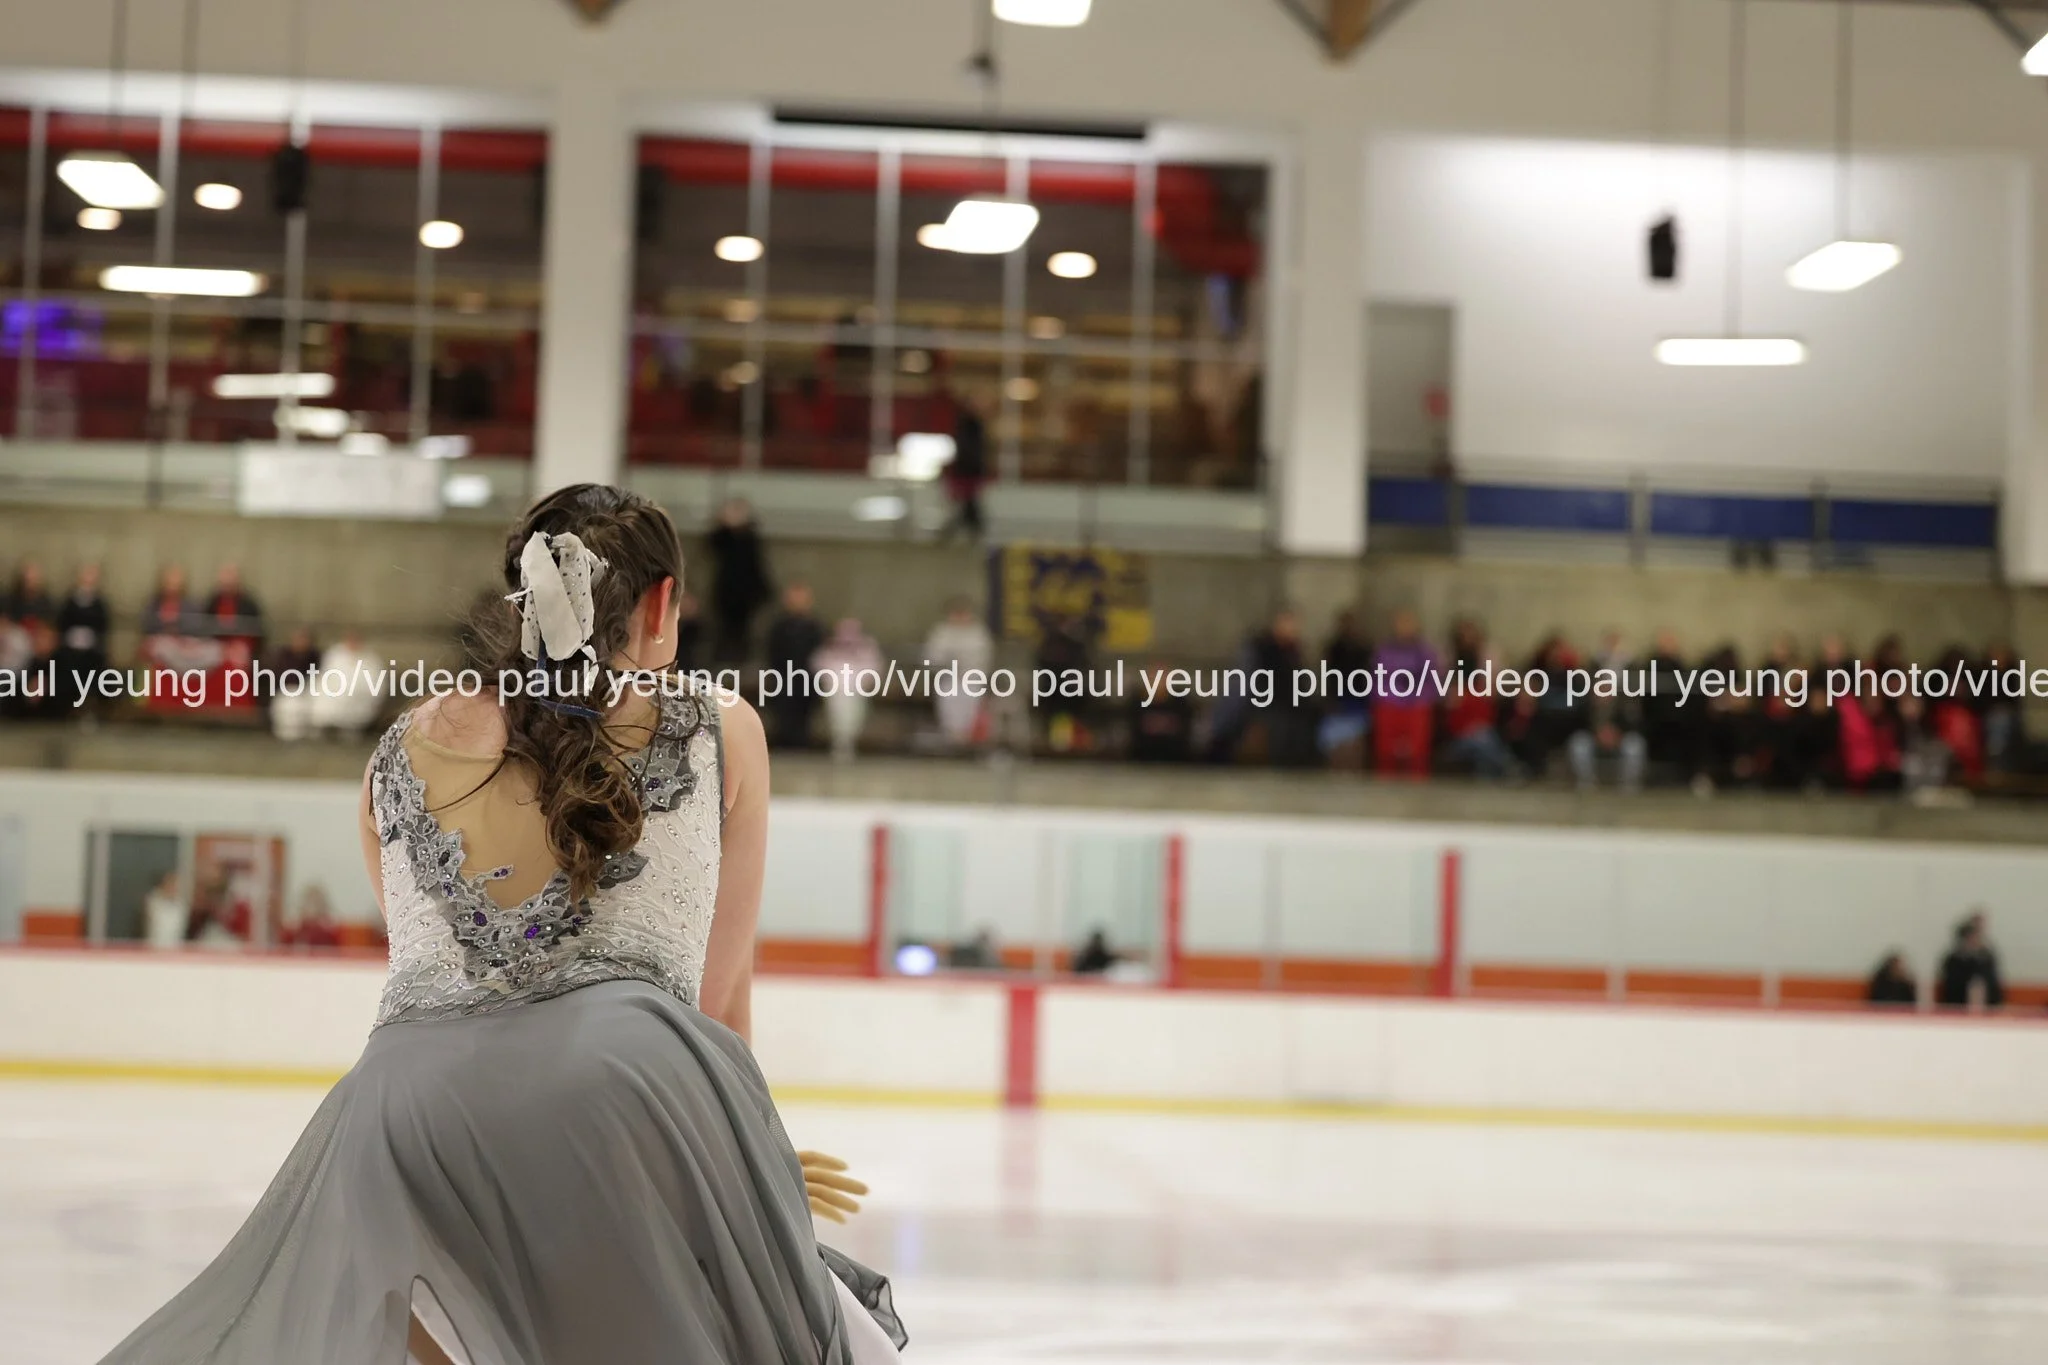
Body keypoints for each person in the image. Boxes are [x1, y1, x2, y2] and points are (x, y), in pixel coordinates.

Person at [95, 484, 905, 1365]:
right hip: (620, 1090)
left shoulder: (395, 749)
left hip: (392, 1120)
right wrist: (751, 1170)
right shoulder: (718, 725)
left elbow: (441, 981)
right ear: (663, 602)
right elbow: (716, 1005)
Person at [1370, 609, 1441, 778]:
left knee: (1417, 751)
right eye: (1401, 623)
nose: (1405, 628)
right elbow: (1378, 679)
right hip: (1390, 703)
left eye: (1409, 623)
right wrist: (1392, 696)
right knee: (1386, 750)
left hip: (1417, 704)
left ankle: (1417, 782)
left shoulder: (1426, 652)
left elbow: (1432, 680)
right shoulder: (1384, 651)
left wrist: (1416, 696)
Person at [707, 497, 773, 665]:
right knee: (724, 629)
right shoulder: (724, 536)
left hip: (746, 594)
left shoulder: (750, 537)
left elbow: (756, 564)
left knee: (743, 631)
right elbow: (712, 545)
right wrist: (724, 525)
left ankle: (741, 659)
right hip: (726, 592)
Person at [922, 596, 994, 749]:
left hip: (972, 677)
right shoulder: (941, 632)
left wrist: (965, 664)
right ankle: (952, 736)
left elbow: (983, 658)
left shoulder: (978, 633)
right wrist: (949, 662)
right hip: (947, 677)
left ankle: (966, 737)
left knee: (969, 696)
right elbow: (932, 657)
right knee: (949, 696)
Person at [763, 582, 827, 749]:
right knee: (783, 707)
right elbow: (772, 651)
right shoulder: (779, 627)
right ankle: (786, 737)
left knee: (804, 708)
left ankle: (801, 739)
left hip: (807, 676)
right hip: (783, 675)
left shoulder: (815, 627)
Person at [813, 616, 883, 762]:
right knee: (837, 716)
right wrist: (827, 681)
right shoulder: (830, 648)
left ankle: (849, 742)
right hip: (836, 691)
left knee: (855, 717)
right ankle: (840, 743)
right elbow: (819, 665)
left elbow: (874, 667)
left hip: (856, 692)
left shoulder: (866, 648)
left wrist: (867, 682)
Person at [53, 562, 110, 714]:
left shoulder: (99, 602)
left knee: (95, 665)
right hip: (70, 646)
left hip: (92, 648)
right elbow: (62, 623)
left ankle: (90, 702)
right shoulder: (70, 600)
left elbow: (102, 626)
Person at [1936, 911, 2005, 1011]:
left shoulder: (1986, 958)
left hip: (1987, 1007)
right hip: (1958, 1007)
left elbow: (1993, 985)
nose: (1975, 941)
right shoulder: (1953, 959)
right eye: (1971, 938)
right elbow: (1951, 987)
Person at [943, 393, 989, 540]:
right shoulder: (967, 424)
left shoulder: (968, 424)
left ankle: (956, 531)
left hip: (969, 469)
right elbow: (968, 448)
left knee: (968, 504)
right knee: (968, 504)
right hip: (967, 469)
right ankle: (970, 530)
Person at [142, 869, 189, 950]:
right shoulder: (153, 901)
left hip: (175, 948)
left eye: (175, 885)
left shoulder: (180, 905)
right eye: (170, 884)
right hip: (154, 947)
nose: (173, 887)